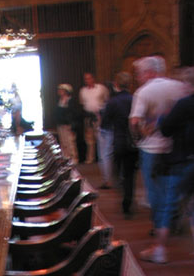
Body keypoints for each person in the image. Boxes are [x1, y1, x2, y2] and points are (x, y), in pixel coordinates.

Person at [129, 55, 187, 264]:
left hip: (151, 149)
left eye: (139, 73)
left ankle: (159, 231)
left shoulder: (144, 92)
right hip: (176, 148)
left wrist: (139, 138)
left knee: (154, 192)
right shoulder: (180, 87)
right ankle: (174, 222)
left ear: (149, 72)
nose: (138, 77)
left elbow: (135, 121)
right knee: (173, 188)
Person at [159, 65, 194, 266]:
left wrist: (164, 115)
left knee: (169, 204)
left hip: (183, 160)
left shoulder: (183, 104)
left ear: (188, 83)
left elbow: (165, 129)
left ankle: (160, 250)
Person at [102, 71, 138, 216]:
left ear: (116, 84)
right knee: (130, 174)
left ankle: (122, 194)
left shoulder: (112, 102)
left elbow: (105, 124)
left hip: (118, 141)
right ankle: (128, 200)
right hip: (133, 142)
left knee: (118, 171)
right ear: (129, 84)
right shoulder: (134, 99)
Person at [79, 72, 109, 168]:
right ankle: (90, 158)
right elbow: (82, 103)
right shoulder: (83, 91)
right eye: (86, 79)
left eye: (89, 78)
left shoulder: (101, 88)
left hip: (99, 116)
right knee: (89, 138)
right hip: (88, 117)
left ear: (93, 78)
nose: (88, 80)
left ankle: (102, 157)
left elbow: (107, 100)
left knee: (100, 137)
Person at [55, 83, 79, 164]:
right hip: (61, 124)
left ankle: (73, 158)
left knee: (70, 142)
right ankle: (65, 157)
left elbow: (73, 113)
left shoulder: (71, 100)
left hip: (68, 124)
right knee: (63, 142)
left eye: (61, 90)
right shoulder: (59, 100)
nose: (59, 91)